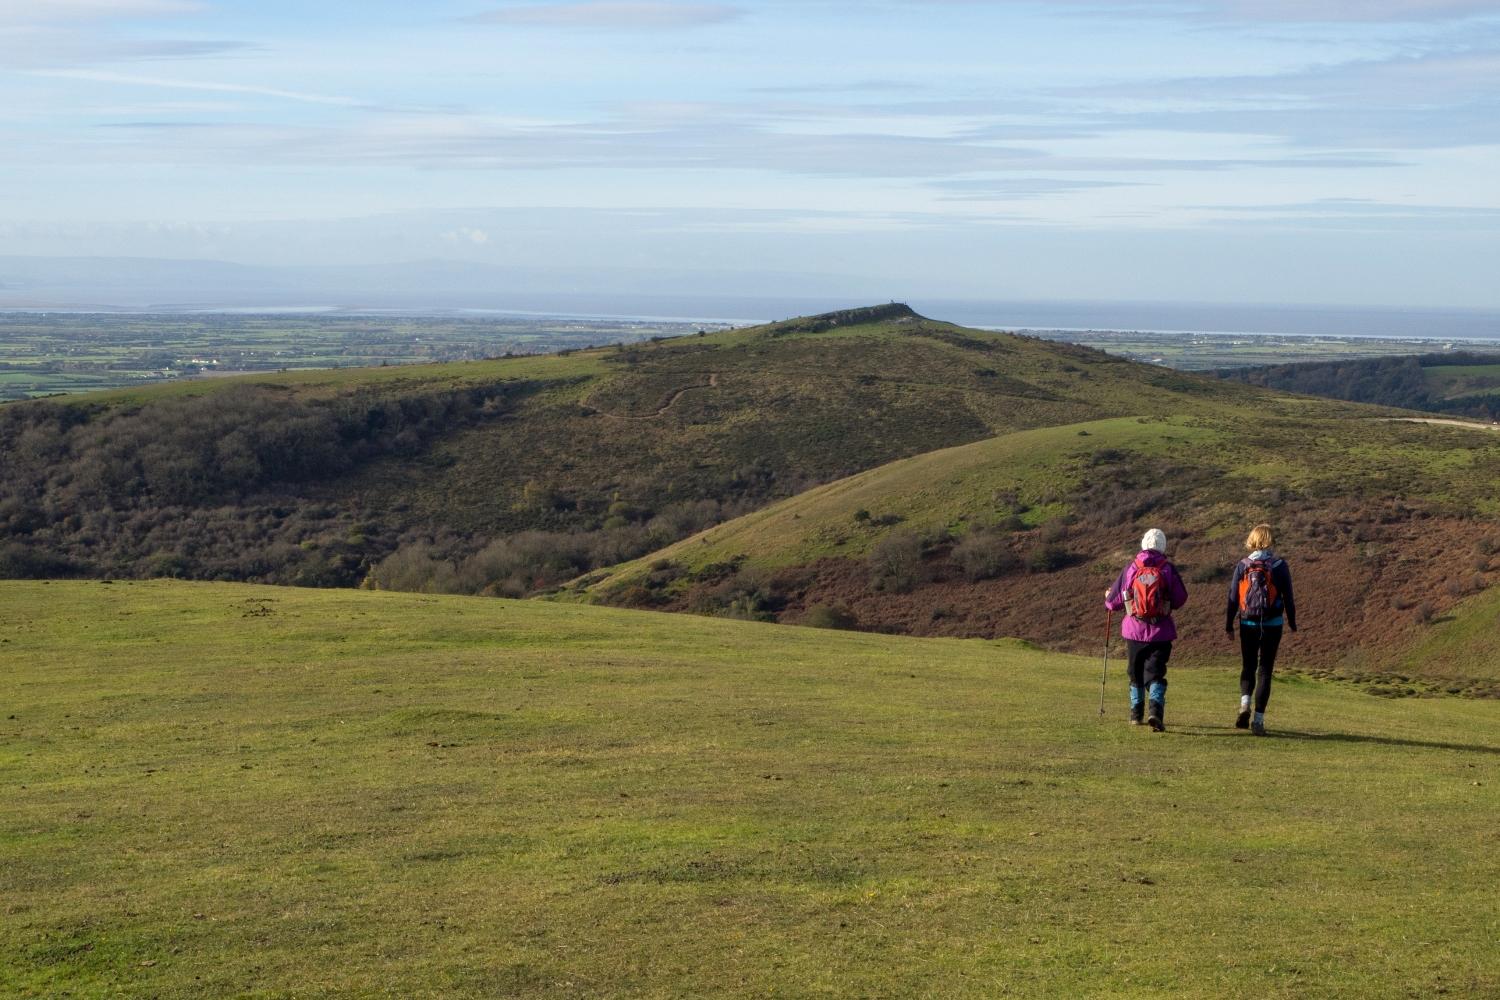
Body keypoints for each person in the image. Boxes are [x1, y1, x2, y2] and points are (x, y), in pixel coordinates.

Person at [1104, 529, 1189, 731]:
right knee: (1156, 672)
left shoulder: (1131, 568)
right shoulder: (1168, 569)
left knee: (1135, 672)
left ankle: (1136, 714)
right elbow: (1180, 598)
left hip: (1134, 630)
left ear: (1143, 544)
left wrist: (1108, 597)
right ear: (1163, 546)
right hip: (1161, 632)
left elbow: (1113, 602)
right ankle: (1155, 712)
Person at [1225, 524, 1296, 736]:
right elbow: (1289, 598)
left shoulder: (1243, 565)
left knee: (1248, 666)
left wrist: (1229, 625)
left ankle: (1244, 703)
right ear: (1271, 540)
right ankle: (1258, 720)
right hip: (1273, 624)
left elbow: (1232, 598)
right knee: (1265, 670)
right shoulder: (1280, 566)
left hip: (1247, 623)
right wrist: (1292, 622)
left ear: (1252, 540)